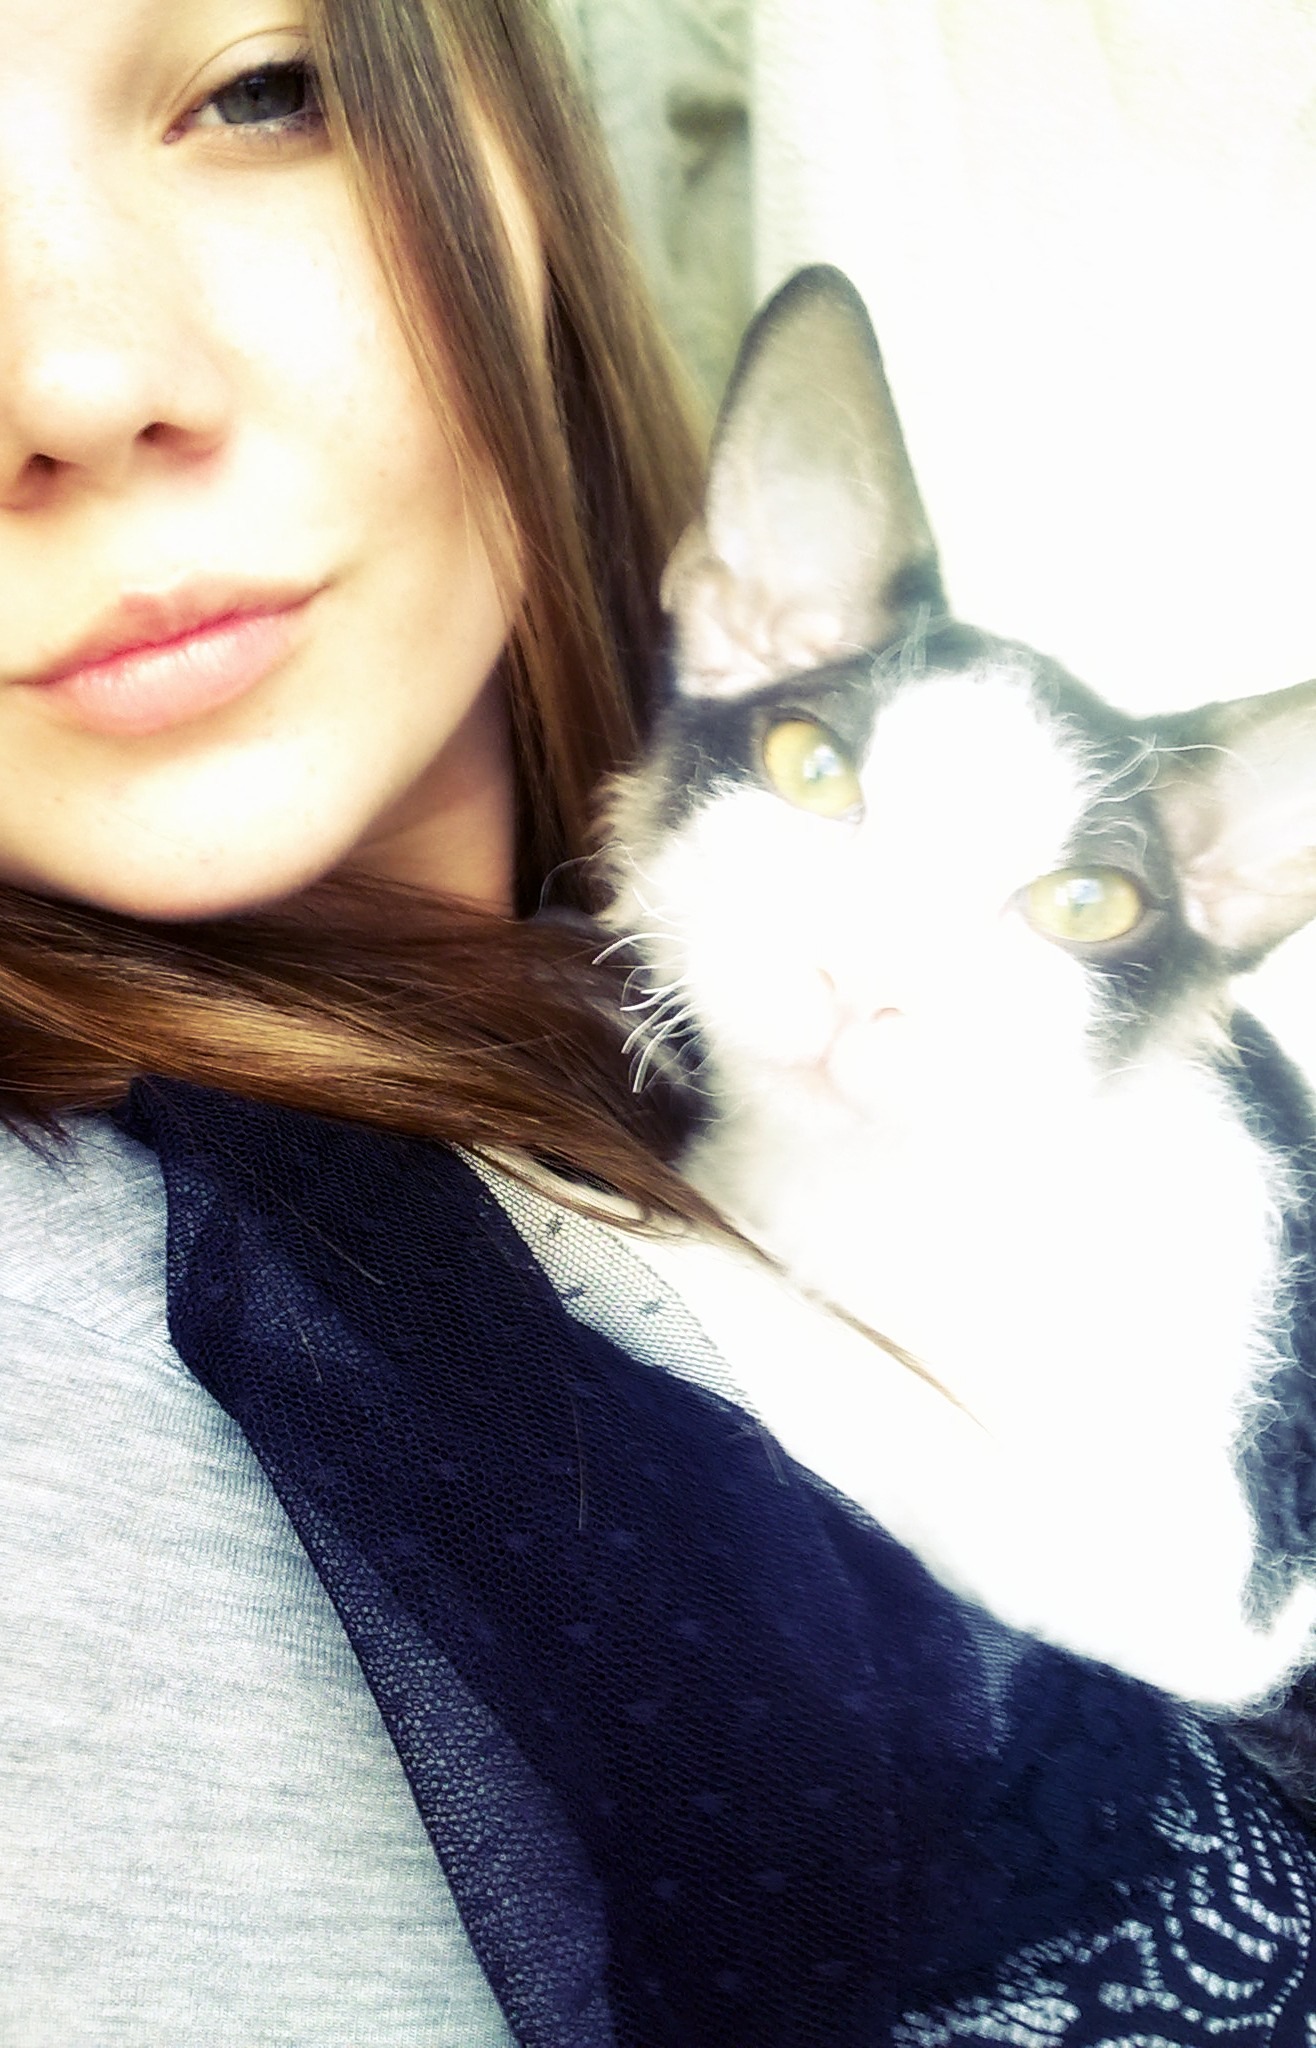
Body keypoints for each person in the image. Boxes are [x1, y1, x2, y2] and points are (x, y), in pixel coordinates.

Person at [1, 2, 1314, 2044]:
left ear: (523, 151)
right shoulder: (75, 1343)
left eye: (262, 86)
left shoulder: (986, 1060)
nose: (75, 384)